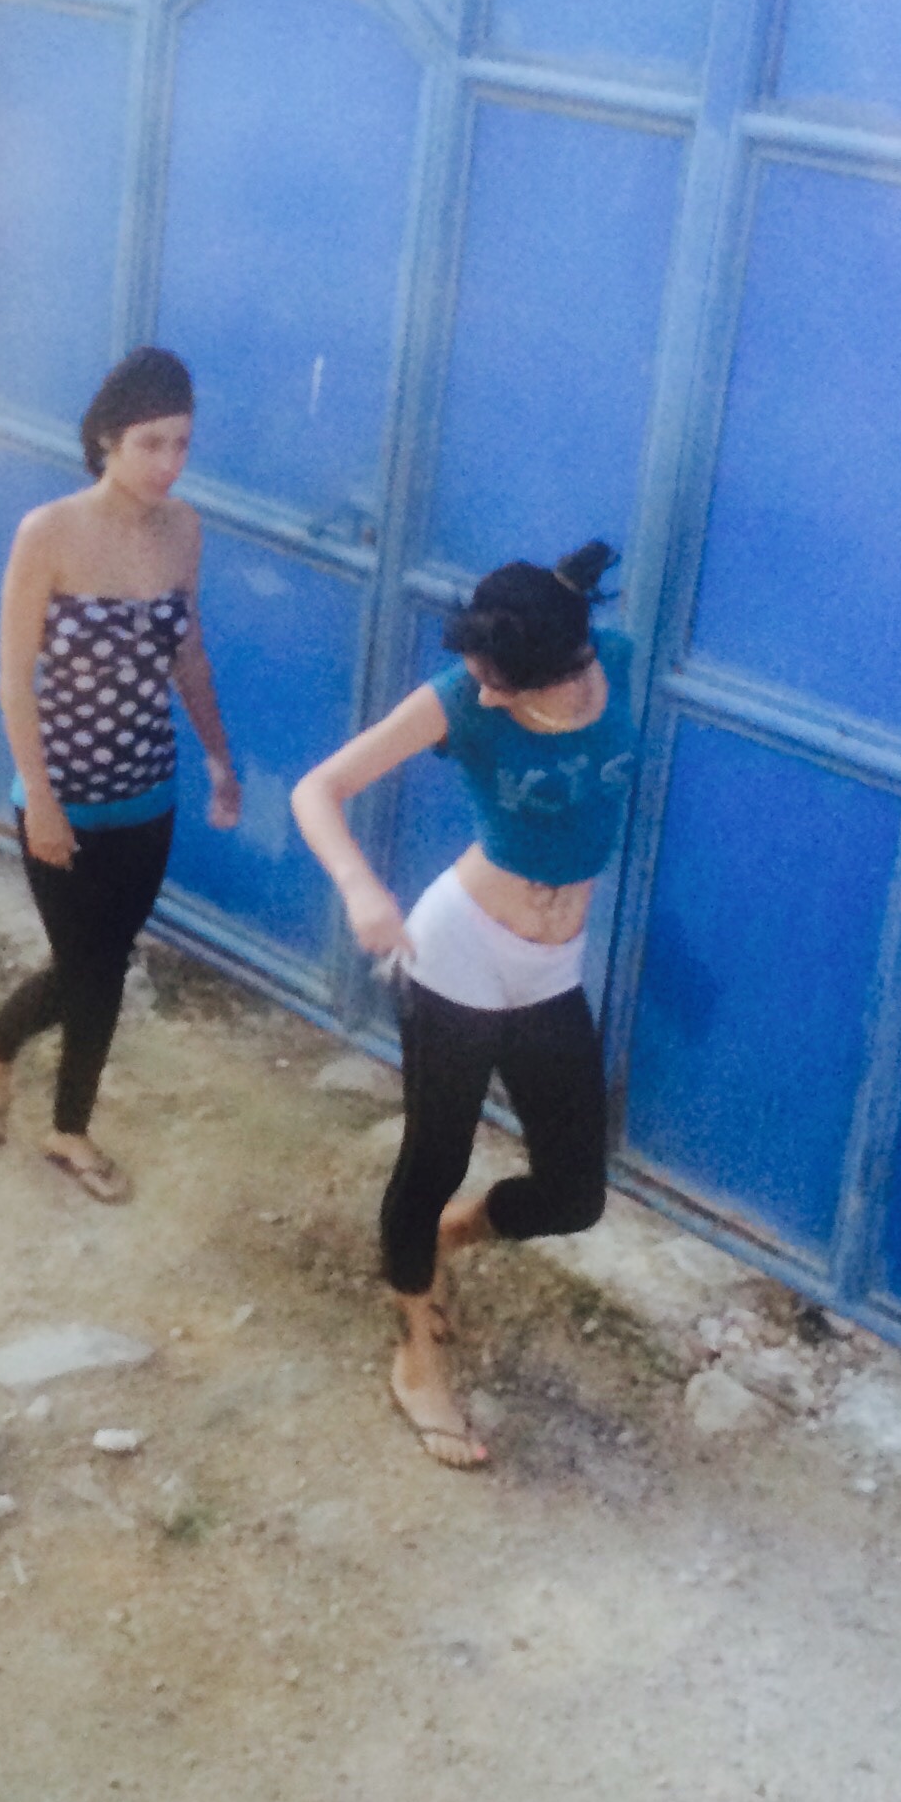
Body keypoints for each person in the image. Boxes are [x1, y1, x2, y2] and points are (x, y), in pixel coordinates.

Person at [291, 542, 637, 1467]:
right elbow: (318, 789)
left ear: (562, 665)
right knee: (432, 1157)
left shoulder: (618, 663)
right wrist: (360, 886)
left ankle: (447, 1238)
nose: (479, 696)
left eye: (498, 683)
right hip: (458, 952)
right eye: (475, 678)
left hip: (551, 966)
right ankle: (416, 1360)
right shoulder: (457, 698)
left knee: (573, 1193)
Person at [0, 346, 241, 1201]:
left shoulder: (183, 529)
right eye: (151, 443)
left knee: (105, 964)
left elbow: (188, 655)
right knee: (86, 968)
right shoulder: (47, 534)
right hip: (64, 799)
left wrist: (219, 758)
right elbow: (13, 679)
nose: (168, 463)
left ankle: (40, 1100)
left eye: (181, 443)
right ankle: (18, 1075)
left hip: (148, 794)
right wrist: (42, 802)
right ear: (107, 441)